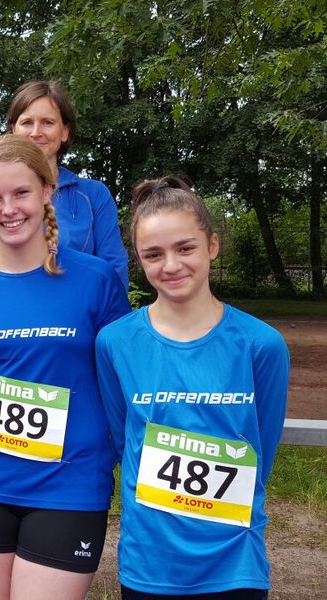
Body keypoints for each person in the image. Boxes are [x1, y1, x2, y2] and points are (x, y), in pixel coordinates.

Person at [0, 135, 131, 600]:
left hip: (70, 481)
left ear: (47, 190)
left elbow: (119, 381)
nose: (8, 209)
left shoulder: (96, 279)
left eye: (21, 192)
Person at [95, 176, 290, 599]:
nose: (171, 265)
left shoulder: (261, 344)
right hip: (150, 561)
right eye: (153, 254)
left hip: (235, 561)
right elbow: (122, 436)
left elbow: (262, 447)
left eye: (185, 248)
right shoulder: (115, 342)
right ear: (138, 260)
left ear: (212, 245)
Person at [4, 79, 129, 289]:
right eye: (27, 123)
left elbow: (114, 268)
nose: (36, 132)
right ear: (13, 130)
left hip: (86, 308)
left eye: (47, 122)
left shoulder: (94, 195)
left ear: (65, 131)